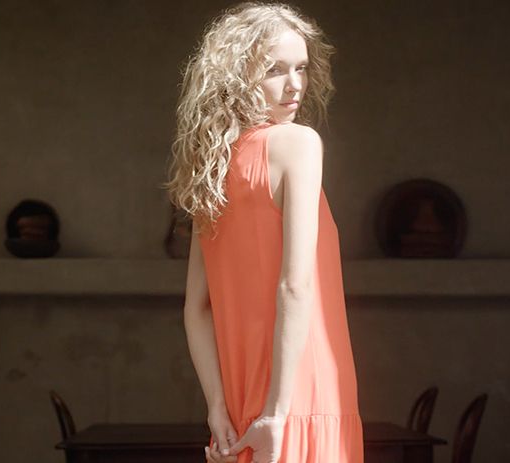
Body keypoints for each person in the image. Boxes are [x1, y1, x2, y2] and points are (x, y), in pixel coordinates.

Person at [163, 3, 363, 462]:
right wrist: (277, 412)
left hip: (238, 406)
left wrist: (217, 407)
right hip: (301, 393)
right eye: (275, 70)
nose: (295, 85)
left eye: (301, 68)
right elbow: (295, 286)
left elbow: (196, 307)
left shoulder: (212, 166)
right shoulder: (298, 144)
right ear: (238, 76)